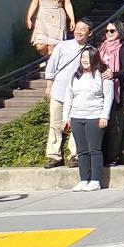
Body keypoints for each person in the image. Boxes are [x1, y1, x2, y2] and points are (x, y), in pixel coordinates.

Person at [61, 47, 114, 191]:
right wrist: (65, 118)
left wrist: (104, 116)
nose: (84, 60)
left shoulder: (103, 75)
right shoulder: (75, 76)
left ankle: (96, 180)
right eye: (82, 57)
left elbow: (108, 96)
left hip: (95, 116)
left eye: (87, 57)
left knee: (94, 150)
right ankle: (84, 179)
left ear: (94, 58)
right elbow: (68, 97)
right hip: (77, 116)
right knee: (81, 150)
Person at [42, 20, 92, 168]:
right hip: (59, 90)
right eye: (77, 28)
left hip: (78, 94)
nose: (79, 31)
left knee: (76, 125)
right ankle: (54, 155)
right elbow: (52, 65)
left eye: (83, 29)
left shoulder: (90, 50)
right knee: (55, 124)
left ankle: (75, 155)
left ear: (90, 33)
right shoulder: (62, 46)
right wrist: (49, 86)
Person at [97, 23, 124, 162]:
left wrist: (113, 75)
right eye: (107, 31)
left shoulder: (123, 50)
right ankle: (101, 154)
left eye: (112, 31)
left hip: (118, 92)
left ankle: (113, 155)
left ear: (119, 32)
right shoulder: (101, 49)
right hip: (100, 91)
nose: (109, 33)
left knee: (115, 126)